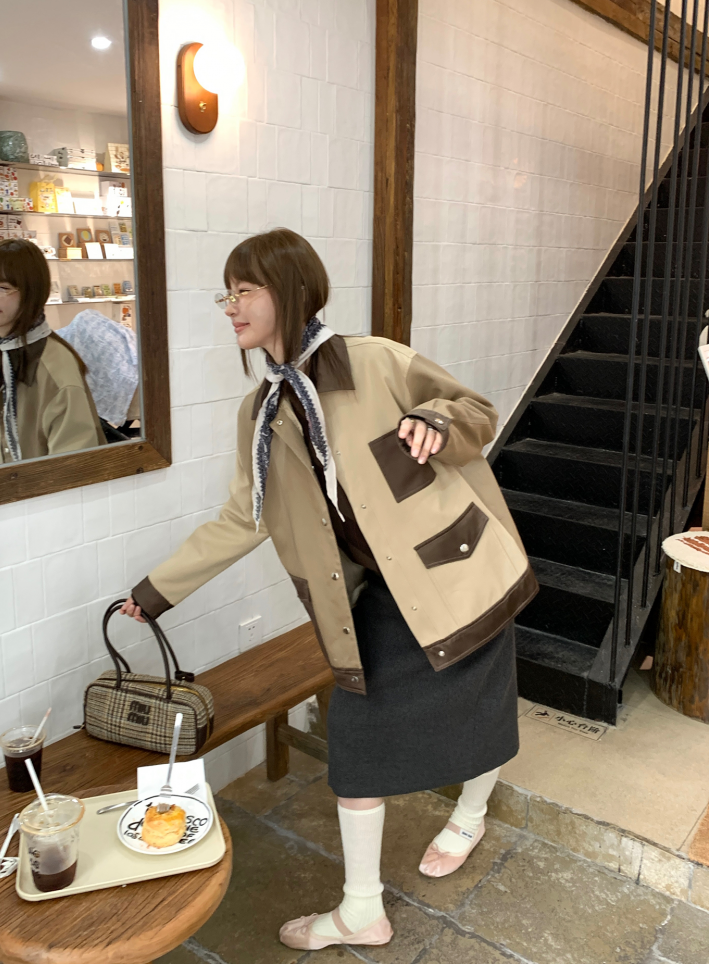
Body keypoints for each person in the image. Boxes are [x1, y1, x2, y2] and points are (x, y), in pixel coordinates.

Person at [120, 228, 537, 951]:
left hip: (455, 571)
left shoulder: (375, 361)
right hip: (369, 599)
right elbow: (244, 517)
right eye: (227, 293)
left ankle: (470, 816)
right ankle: (362, 909)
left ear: (289, 290)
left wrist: (436, 420)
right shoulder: (260, 415)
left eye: (244, 290)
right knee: (354, 741)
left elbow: (473, 410)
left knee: (484, 707)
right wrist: (157, 590)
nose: (231, 306)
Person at [0, 238, 105, 462]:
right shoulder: (2, 349)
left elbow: (73, 469)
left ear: (32, 293)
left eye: (2, 288)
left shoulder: (56, 374)